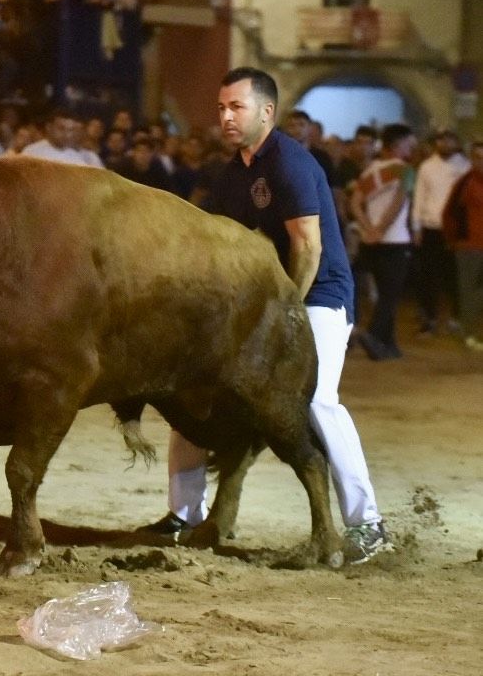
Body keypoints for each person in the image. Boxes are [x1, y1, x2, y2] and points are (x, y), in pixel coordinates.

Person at [141, 67, 391, 564]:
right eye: (221, 108)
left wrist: (287, 319)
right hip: (258, 306)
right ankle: (184, 516)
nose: (226, 116)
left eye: (237, 107)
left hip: (316, 298)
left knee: (317, 403)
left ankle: (369, 525)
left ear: (267, 112)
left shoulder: (289, 163)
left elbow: (309, 247)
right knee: (189, 397)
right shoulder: (232, 172)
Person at [351, 124, 417, 360]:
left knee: (384, 290)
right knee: (390, 295)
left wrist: (369, 229)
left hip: (371, 242)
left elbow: (356, 203)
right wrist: (380, 229)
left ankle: (389, 346)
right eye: (409, 143)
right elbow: (398, 203)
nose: (413, 146)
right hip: (395, 241)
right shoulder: (406, 171)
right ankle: (373, 335)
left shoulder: (371, 171)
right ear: (398, 145)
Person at [411, 130, 470, 335]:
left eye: (449, 139)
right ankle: (430, 318)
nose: (445, 143)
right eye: (441, 140)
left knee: (455, 275)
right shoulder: (427, 167)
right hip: (431, 227)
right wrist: (416, 226)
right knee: (429, 275)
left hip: (456, 229)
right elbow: (419, 196)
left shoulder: (465, 166)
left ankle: (456, 318)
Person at [442, 141, 483, 352]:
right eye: (478, 157)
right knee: (469, 292)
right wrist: (453, 241)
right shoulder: (465, 183)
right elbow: (449, 214)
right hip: (469, 246)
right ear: (472, 159)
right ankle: (469, 333)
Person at [21, 110, 104, 168]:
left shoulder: (81, 157)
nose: (67, 134)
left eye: (70, 130)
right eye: (61, 128)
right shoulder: (31, 152)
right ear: (49, 127)